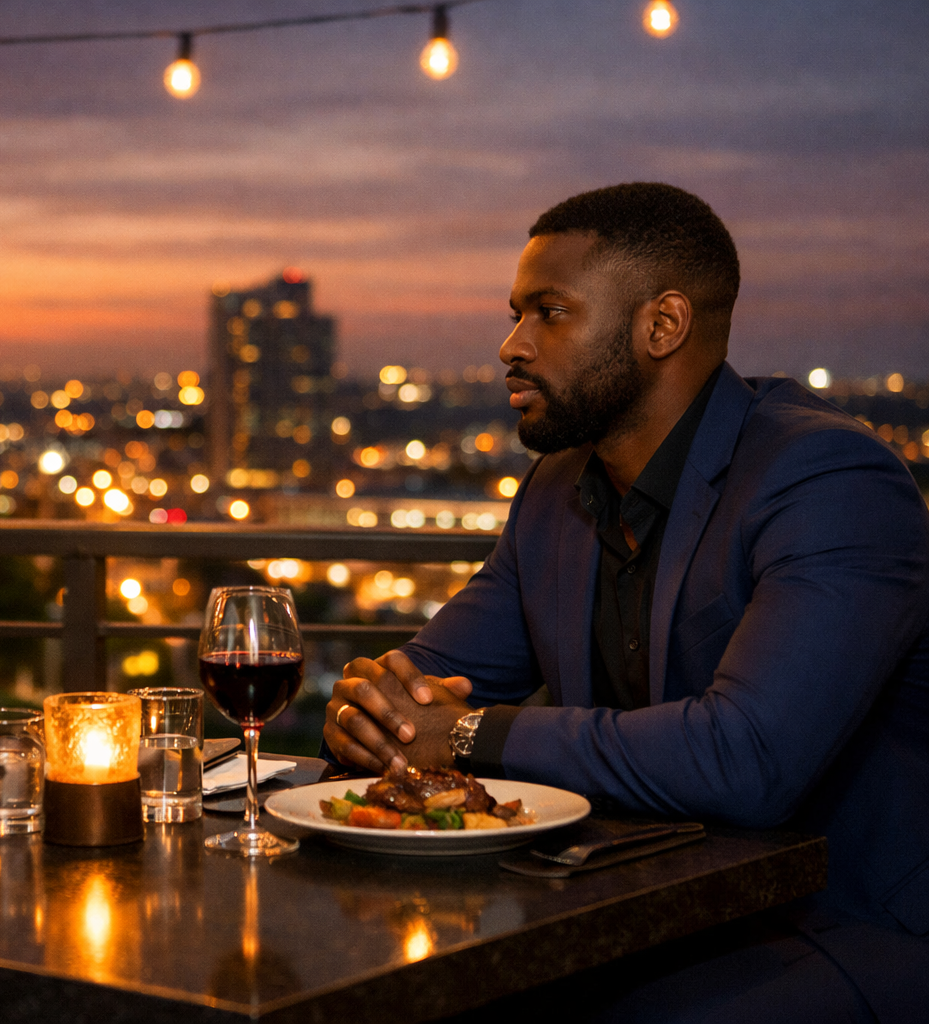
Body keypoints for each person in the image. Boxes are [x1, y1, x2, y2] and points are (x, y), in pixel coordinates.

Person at [323, 183, 929, 1023]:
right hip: (632, 899)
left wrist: (461, 733)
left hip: (841, 919)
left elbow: (746, 760)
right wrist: (368, 709)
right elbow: (425, 681)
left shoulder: (827, 479)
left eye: (550, 313)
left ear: (662, 326)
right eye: (515, 313)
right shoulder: (555, 491)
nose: (511, 344)